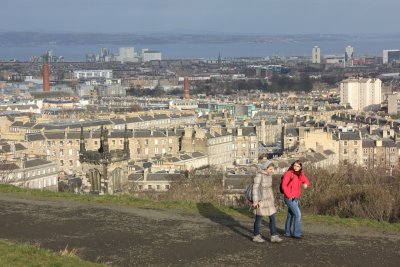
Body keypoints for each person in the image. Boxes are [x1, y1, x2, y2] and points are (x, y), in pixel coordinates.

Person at [251, 159, 282, 243]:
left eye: (272, 169)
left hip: (269, 200)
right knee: (259, 218)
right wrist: (255, 201)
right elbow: (255, 188)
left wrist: (273, 201)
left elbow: (269, 189)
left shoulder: (269, 175)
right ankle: (256, 236)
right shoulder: (259, 175)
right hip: (261, 200)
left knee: (273, 217)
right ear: (265, 168)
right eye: (271, 169)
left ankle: (274, 235)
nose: (272, 170)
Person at [281, 160, 310, 239]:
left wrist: (306, 184)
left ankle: (287, 232)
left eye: (298, 166)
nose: (296, 167)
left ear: (300, 167)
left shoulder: (300, 174)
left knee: (290, 215)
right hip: (289, 198)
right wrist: (289, 196)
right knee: (298, 214)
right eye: (295, 166)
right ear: (292, 166)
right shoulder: (289, 173)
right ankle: (296, 233)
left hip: (296, 198)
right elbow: (284, 186)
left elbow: (306, 180)